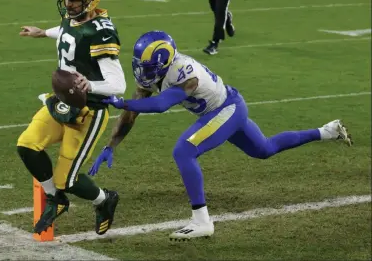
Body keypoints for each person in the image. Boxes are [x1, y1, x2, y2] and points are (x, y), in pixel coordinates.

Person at [87, 30, 352, 240]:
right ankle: (327, 131)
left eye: (147, 65)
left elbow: (160, 105)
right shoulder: (155, 73)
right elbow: (132, 114)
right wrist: (111, 145)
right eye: (140, 64)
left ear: (164, 61)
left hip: (228, 109)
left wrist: (120, 102)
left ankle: (201, 221)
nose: (142, 71)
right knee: (265, 149)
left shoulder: (184, 72)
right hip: (226, 108)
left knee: (184, 150)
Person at [17, 0, 126, 236]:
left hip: (90, 112)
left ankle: (105, 199)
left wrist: (91, 85)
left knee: (69, 178)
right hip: (62, 101)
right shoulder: (73, 17)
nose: (69, 3)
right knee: (27, 145)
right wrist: (42, 32)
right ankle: (57, 199)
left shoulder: (101, 32)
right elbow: (67, 31)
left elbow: (119, 85)